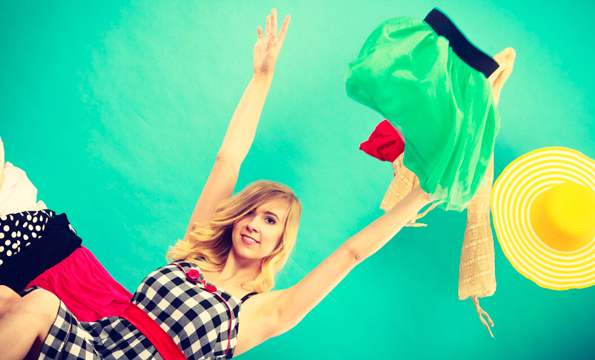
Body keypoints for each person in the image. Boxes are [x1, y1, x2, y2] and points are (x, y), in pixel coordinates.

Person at [0, 9, 432, 360]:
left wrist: (424, 191)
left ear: (280, 241)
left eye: (269, 220)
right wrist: (261, 78)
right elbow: (229, 158)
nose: (253, 224)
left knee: (34, 303)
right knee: (16, 300)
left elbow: (353, 252)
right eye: (250, 211)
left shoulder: (257, 312)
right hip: (95, 346)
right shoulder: (194, 254)